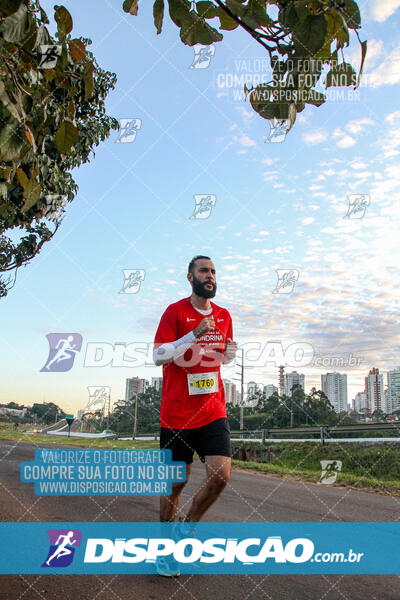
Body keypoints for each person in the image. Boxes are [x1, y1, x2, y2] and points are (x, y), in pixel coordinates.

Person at [153, 255, 237, 576]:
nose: (211, 275)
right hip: (176, 415)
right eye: (204, 271)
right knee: (175, 484)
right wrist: (194, 334)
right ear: (190, 277)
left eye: (214, 271)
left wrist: (229, 355)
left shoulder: (225, 316)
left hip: (212, 409)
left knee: (221, 475)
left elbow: (219, 358)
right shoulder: (175, 312)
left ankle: (185, 529)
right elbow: (158, 355)